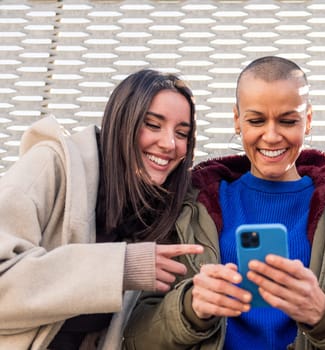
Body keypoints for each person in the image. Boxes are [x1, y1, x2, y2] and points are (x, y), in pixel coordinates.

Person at [122, 56, 325, 349]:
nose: (271, 136)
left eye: (287, 120)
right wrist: (189, 309)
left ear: (307, 121)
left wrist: (324, 312)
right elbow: (133, 338)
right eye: (256, 120)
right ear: (237, 121)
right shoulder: (189, 206)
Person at [0, 68, 204, 349]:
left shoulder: (166, 213)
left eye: (182, 133)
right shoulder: (50, 165)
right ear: (122, 122)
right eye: (153, 125)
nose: (169, 144)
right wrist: (121, 266)